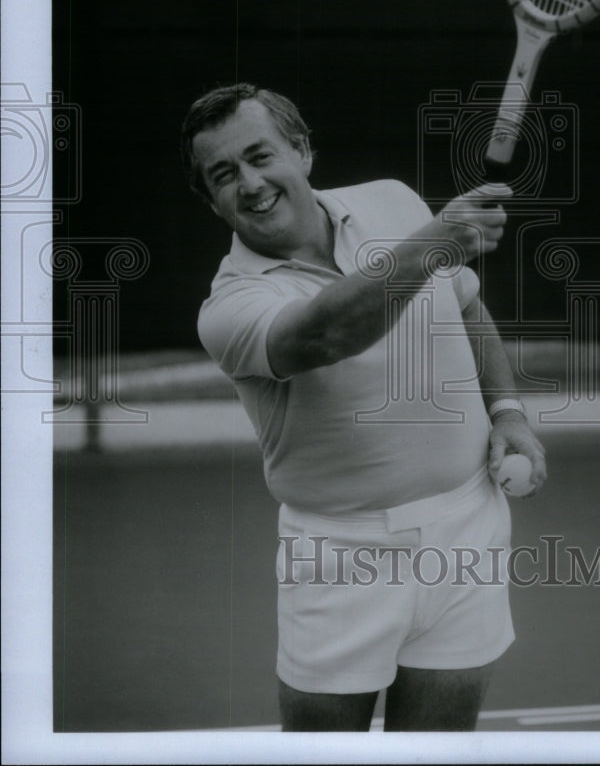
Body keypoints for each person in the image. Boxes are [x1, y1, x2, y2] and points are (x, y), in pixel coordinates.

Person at [181, 83, 547, 731]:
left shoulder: (392, 201)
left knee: (438, 747)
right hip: (340, 556)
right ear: (212, 202)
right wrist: (434, 241)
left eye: (261, 156)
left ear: (302, 151)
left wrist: (509, 410)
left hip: (468, 527)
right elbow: (327, 334)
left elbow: (463, 305)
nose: (250, 182)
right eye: (223, 175)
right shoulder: (230, 307)